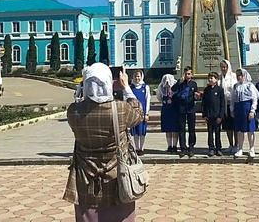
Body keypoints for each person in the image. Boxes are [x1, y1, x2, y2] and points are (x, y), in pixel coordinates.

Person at [63, 63, 143, 221]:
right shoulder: (120, 109)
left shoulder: (74, 112)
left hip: (87, 181)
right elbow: (138, 112)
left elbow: (79, 101)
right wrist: (126, 87)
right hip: (118, 180)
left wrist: (81, 90)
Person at [231, 69, 259, 158]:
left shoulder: (249, 85)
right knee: (240, 131)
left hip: (247, 108)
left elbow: (255, 99)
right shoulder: (235, 86)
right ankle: (240, 148)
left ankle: (252, 148)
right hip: (238, 109)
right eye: (237, 75)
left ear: (245, 76)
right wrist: (232, 109)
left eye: (241, 75)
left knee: (250, 130)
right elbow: (232, 99)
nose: (239, 77)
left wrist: (252, 110)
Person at [172, 66, 199, 158]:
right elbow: (173, 89)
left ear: (191, 74)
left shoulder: (194, 84)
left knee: (192, 129)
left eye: (189, 74)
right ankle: (183, 148)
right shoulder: (180, 83)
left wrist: (196, 96)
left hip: (191, 108)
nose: (187, 75)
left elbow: (196, 94)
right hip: (181, 109)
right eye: (186, 73)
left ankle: (191, 147)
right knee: (181, 129)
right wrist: (180, 81)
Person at [202, 72, 225, 157]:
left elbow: (222, 104)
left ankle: (218, 148)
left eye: (212, 78)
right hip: (209, 115)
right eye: (209, 77)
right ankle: (211, 148)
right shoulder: (206, 90)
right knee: (210, 133)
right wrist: (204, 115)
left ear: (216, 79)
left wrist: (220, 116)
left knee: (218, 133)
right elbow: (204, 103)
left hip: (217, 116)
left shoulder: (219, 90)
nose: (210, 79)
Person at [129, 70, 150, 156]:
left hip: (142, 112)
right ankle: (136, 148)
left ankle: (142, 147)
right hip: (134, 112)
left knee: (142, 131)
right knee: (135, 131)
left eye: (138, 76)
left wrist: (147, 113)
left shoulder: (145, 87)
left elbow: (147, 100)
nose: (137, 78)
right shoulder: (131, 87)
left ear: (141, 77)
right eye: (135, 76)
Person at [218, 59, 237, 153]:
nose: (223, 69)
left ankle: (237, 145)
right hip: (224, 105)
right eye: (222, 67)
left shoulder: (233, 76)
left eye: (225, 67)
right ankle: (231, 144)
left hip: (233, 103)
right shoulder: (219, 77)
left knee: (235, 126)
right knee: (227, 126)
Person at [157, 74, 179, 153]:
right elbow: (159, 97)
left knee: (175, 129)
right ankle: (169, 146)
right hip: (166, 109)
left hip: (175, 109)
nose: (167, 82)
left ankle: (175, 146)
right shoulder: (161, 87)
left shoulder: (176, 86)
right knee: (168, 129)